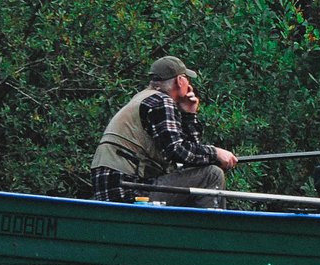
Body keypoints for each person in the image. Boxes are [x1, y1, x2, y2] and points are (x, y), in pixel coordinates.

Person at [90, 56, 238, 207]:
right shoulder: (161, 101)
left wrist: (188, 115)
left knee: (203, 175)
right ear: (180, 80)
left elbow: (189, 162)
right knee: (212, 174)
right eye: (187, 78)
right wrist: (215, 153)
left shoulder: (142, 98)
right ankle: (209, 230)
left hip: (116, 189)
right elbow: (177, 150)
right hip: (130, 191)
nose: (189, 84)